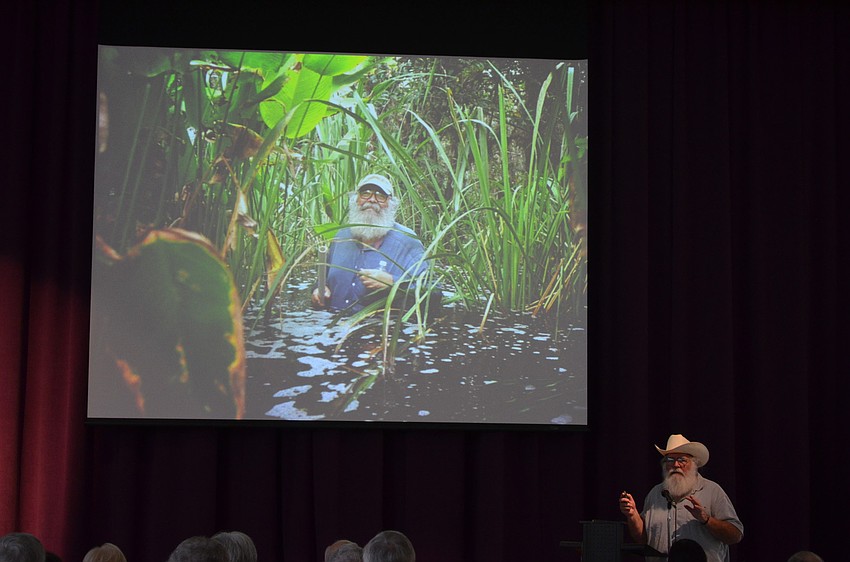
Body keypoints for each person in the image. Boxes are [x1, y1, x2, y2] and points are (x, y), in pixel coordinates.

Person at [312, 173, 431, 313]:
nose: (372, 200)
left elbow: (432, 292)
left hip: (378, 330)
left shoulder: (407, 240)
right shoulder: (341, 237)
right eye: (365, 193)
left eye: (380, 196)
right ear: (356, 199)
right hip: (332, 328)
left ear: (391, 204)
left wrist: (393, 283)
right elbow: (324, 280)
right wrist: (318, 289)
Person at [618, 434, 743, 562]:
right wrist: (632, 515)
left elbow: (735, 535)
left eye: (682, 460)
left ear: (694, 464)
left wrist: (706, 520)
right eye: (670, 460)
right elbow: (642, 540)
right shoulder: (655, 493)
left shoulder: (712, 491)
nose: (676, 465)